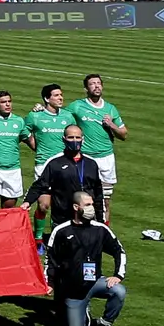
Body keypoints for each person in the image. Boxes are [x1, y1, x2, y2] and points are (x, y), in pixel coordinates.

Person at [45, 191, 128, 326]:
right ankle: (81, 311)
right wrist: (50, 283)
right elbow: (51, 259)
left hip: (95, 281)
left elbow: (119, 250)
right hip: (72, 289)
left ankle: (104, 324)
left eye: (92, 204)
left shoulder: (100, 229)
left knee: (119, 291)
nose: (91, 208)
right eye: (87, 205)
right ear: (76, 207)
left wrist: (118, 275)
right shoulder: (62, 231)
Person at [68, 74, 127, 222]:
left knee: (106, 200)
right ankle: (80, 228)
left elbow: (123, 134)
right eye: (92, 84)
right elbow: (60, 116)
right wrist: (41, 108)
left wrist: (111, 125)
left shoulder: (110, 109)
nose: (96, 86)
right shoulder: (77, 106)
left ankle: (104, 233)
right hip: (86, 157)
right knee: (83, 197)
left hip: (106, 158)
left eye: (99, 83)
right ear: (86, 88)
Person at [22, 125, 106, 225]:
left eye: (77, 137)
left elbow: (98, 192)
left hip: (87, 217)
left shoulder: (91, 164)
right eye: (71, 137)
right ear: (64, 139)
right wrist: (28, 201)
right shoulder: (55, 163)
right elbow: (40, 184)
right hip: (62, 219)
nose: (74, 140)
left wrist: (100, 219)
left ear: (82, 139)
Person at [23, 84, 76, 180]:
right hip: (44, 163)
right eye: (56, 95)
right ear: (47, 99)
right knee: (43, 194)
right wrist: (33, 143)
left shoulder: (68, 116)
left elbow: (75, 135)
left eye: (61, 95)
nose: (60, 98)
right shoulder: (35, 116)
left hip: (65, 163)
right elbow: (23, 130)